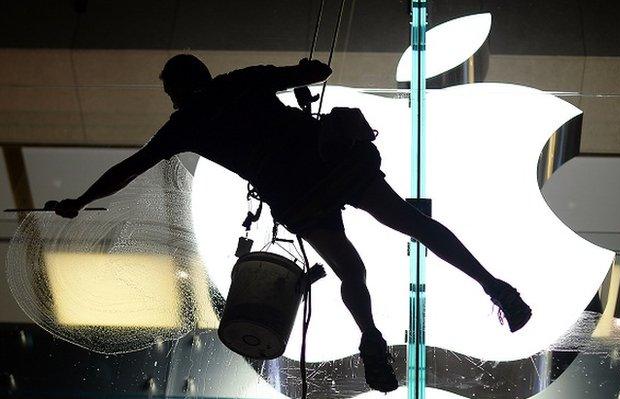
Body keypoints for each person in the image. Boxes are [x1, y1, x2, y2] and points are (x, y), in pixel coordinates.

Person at [52, 54, 531, 393]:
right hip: (331, 162)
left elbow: (127, 169)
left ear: (176, 89)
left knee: (351, 271)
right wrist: (306, 72)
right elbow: (315, 72)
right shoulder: (239, 82)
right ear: (203, 73)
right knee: (414, 224)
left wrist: (81, 199)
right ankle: (496, 288)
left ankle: (371, 339)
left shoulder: (185, 124)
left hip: (297, 197)